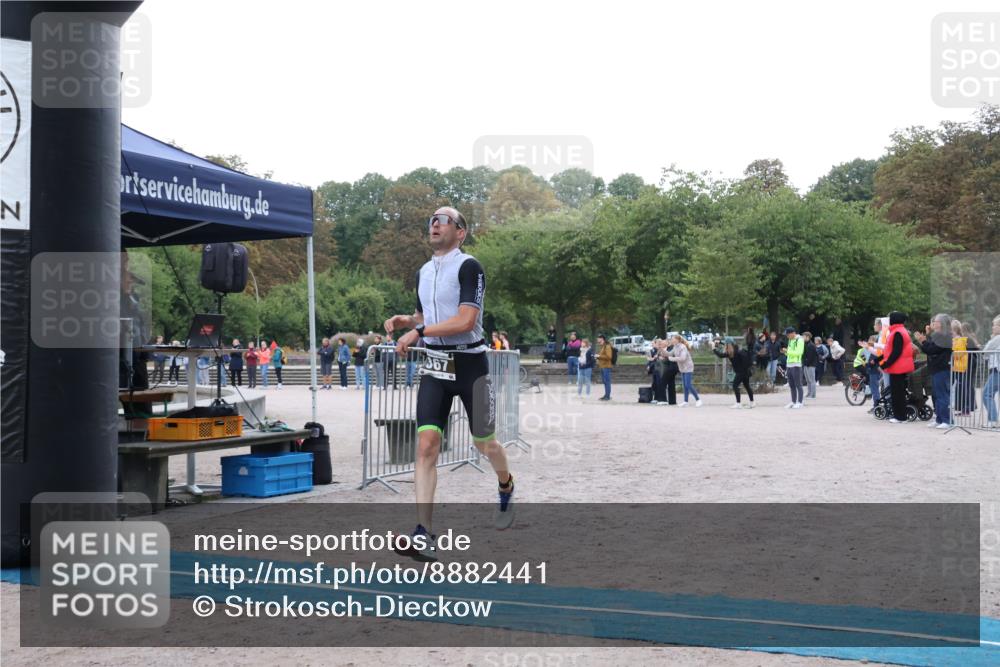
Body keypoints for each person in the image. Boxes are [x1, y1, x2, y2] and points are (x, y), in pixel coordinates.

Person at [383, 206, 515, 561]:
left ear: (461, 232)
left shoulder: (469, 266)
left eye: (445, 220)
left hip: (472, 365)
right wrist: (409, 319)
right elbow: (428, 314)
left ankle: (505, 484)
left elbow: (464, 319)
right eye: (432, 220)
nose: (436, 223)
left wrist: (419, 331)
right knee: (426, 445)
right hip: (436, 368)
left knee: (484, 443)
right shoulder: (423, 271)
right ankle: (423, 532)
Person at [914, 314, 952, 428]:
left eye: (935, 321)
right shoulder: (939, 335)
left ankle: (946, 420)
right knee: (936, 395)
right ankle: (940, 418)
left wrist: (923, 341)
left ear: (942, 324)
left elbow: (932, 349)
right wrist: (924, 339)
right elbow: (929, 347)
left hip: (942, 368)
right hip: (936, 368)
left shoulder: (945, 336)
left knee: (942, 395)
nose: (933, 323)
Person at [879, 311, 915, 424]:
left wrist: (886, 364)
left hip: (898, 367)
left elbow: (896, 352)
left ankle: (900, 416)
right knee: (898, 392)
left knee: (897, 393)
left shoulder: (897, 332)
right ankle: (900, 415)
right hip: (900, 366)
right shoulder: (900, 331)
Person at [714, 340, 755, 408]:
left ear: (728, 347)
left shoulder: (730, 353)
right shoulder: (737, 350)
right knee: (747, 386)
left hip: (740, 372)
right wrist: (720, 342)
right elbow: (729, 343)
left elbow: (720, 355)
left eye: (726, 346)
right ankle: (752, 402)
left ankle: (738, 403)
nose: (725, 348)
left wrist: (713, 348)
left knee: (735, 385)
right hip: (746, 371)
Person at [951, 320, 979, 416]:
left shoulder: (963, 340)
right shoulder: (966, 339)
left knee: (965, 387)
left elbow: (960, 353)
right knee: (964, 387)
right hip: (964, 366)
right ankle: (965, 408)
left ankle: (967, 409)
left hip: (965, 366)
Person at [668, 334, 701, 407]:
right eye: (671, 339)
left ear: (677, 340)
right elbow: (669, 353)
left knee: (688, 385)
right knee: (685, 386)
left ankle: (698, 400)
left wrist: (672, 359)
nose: (672, 340)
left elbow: (683, 358)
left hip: (688, 367)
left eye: (673, 339)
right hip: (682, 368)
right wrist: (661, 349)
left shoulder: (683, 347)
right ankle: (686, 401)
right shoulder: (675, 347)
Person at [982, 315, 1000, 428]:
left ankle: (993, 420)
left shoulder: (997, 338)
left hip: (997, 370)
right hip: (995, 370)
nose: (993, 328)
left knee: (986, 394)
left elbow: (985, 352)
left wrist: (992, 337)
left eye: (995, 325)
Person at [782, 327, 804, 409]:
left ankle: (800, 402)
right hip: (789, 364)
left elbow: (799, 352)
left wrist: (788, 351)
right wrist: (785, 352)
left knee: (798, 384)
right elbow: (790, 353)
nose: (787, 336)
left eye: (788, 334)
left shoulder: (800, 340)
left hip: (796, 364)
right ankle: (793, 401)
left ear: (792, 333)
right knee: (791, 385)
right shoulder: (790, 340)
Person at [596, 334, 614, 401]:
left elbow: (609, 357)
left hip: (606, 366)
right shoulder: (603, 346)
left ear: (602, 339)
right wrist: (598, 356)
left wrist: (599, 356)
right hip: (603, 366)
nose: (597, 340)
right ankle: (606, 395)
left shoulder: (607, 346)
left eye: (598, 338)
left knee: (607, 381)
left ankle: (607, 396)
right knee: (605, 381)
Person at [802, 332, 819, 399]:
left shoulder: (811, 345)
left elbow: (810, 357)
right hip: (806, 364)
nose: (803, 338)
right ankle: (809, 393)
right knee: (808, 380)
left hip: (811, 365)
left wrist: (806, 363)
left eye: (804, 336)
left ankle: (813, 395)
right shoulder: (805, 344)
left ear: (808, 337)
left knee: (812, 380)